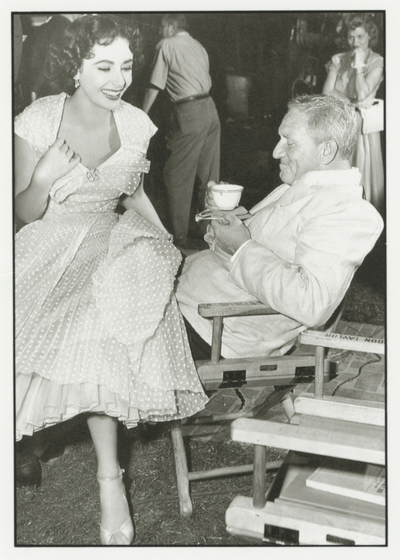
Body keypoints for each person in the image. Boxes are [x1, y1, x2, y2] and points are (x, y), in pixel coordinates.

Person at [14, 14, 207, 545]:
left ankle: (109, 480)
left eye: (125, 65)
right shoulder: (38, 119)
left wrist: (166, 238)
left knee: (104, 337)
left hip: (108, 242)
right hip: (47, 247)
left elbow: (132, 195)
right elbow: (25, 212)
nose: (118, 79)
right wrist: (45, 176)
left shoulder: (139, 125)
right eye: (103, 66)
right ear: (75, 68)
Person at [177, 94, 384, 361]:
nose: (276, 151)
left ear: (327, 151)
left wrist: (241, 247)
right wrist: (226, 221)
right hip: (188, 296)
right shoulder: (300, 185)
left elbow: (311, 302)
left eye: (290, 142)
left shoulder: (348, 211)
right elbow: (259, 241)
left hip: (212, 328)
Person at [142, 13, 221, 247]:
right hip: (210, 109)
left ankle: (178, 239)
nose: (159, 31)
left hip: (189, 112)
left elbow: (155, 86)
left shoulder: (166, 45)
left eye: (162, 26)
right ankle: (208, 233)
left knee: (176, 175)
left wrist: (141, 114)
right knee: (209, 177)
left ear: (171, 25)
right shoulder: (199, 46)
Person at [322, 13, 384, 214]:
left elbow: (364, 94)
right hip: (339, 122)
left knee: (360, 176)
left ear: (369, 36)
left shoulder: (377, 61)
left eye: (360, 37)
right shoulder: (339, 59)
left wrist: (358, 66)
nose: (355, 42)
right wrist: (352, 102)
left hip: (361, 127)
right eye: (351, 37)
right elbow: (326, 94)